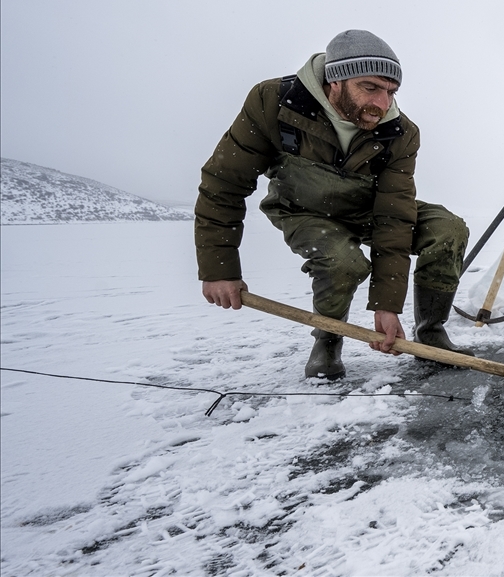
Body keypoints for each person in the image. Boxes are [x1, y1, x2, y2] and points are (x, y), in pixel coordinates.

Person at [195, 30, 470, 380]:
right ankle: (328, 340)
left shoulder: (400, 132)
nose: (382, 104)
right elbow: (224, 183)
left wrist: (387, 305)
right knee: (343, 262)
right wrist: (219, 270)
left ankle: (431, 333)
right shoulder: (273, 103)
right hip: (304, 211)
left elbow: (394, 215)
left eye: (391, 92)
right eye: (370, 87)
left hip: (368, 210)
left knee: (448, 229)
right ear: (335, 80)